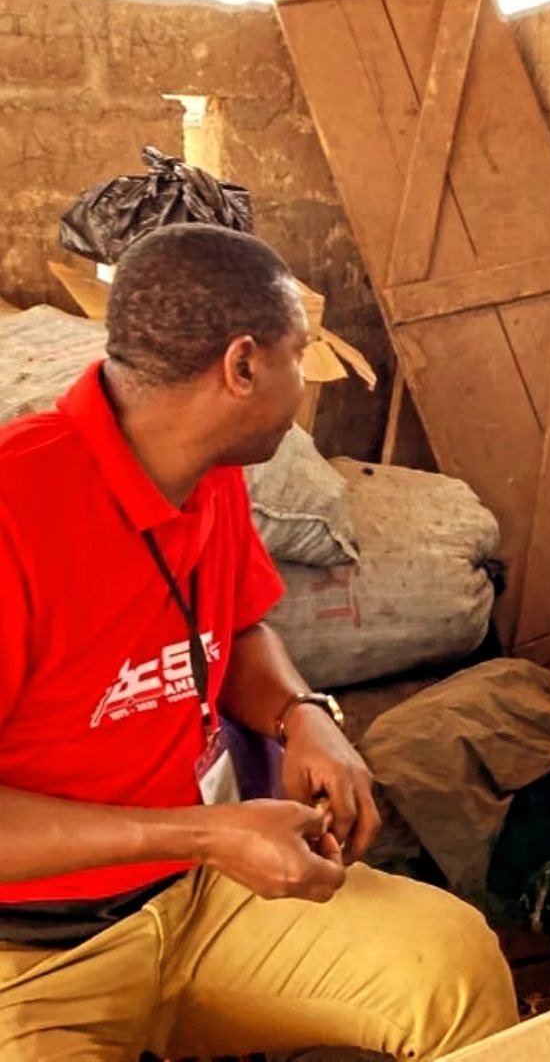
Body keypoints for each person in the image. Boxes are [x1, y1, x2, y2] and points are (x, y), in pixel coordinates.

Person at [0, 224, 518, 1058]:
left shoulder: (214, 476)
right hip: (31, 956)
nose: (305, 383)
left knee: (451, 970)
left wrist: (301, 715)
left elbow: (235, 627)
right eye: (299, 354)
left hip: (202, 894)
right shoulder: (15, 511)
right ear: (243, 366)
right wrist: (205, 833)